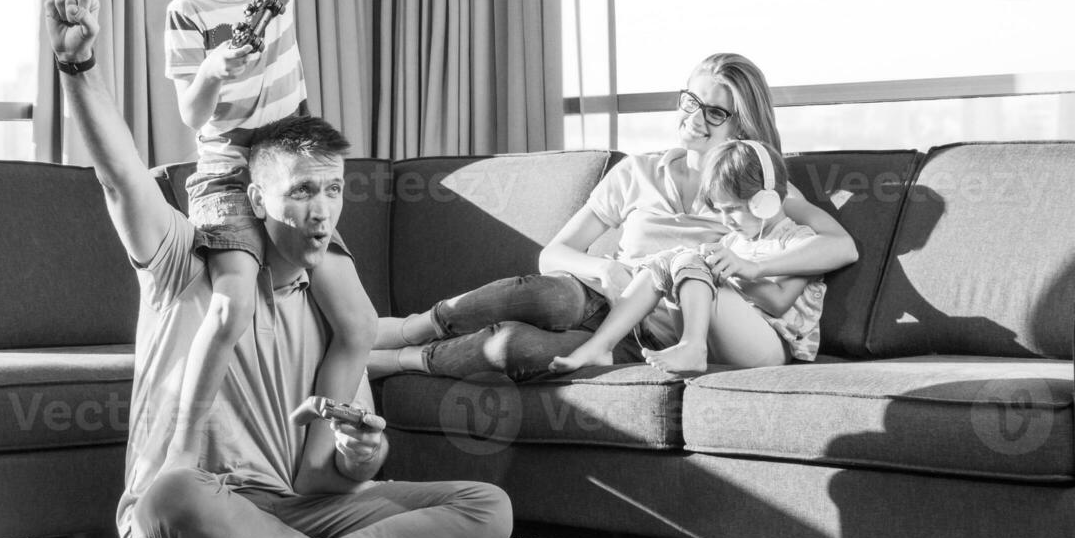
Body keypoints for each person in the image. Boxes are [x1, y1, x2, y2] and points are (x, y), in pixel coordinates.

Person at [46, 0, 512, 538]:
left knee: (486, 506)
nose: (321, 212)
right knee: (174, 495)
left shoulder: (335, 309)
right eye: (301, 192)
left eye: (333, 190)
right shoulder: (184, 261)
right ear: (257, 200)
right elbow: (119, 178)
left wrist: (362, 456)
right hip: (196, 507)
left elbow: (322, 481)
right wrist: (77, 69)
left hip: (292, 508)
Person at [367, 53, 857, 381]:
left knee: (516, 347)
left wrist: (753, 268)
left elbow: (839, 245)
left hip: (647, 335)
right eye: (691, 102)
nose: (695, 118)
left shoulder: (753, 189)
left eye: (715, 113)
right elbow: (552, 254)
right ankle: (417, 327)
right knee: (548, 294)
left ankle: (404, 361)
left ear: (741, 125)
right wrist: (604, 268)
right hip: (607, 299)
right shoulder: (638, 172)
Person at [165, 0, 381, 470]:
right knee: (231, 306)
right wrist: (214, 72)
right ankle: (182, 450)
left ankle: (317, 464)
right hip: (230, 172)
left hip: (292, 165)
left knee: (359, 323)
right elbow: (191, 115)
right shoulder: (188, 11)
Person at [548, 139, 828, 377]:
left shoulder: (798, 241)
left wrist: (735, 271)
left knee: (689, 260)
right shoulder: (733, 241)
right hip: (728, 340)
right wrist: (709, 268)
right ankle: (601, 345)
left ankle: (693, 348)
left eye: (732, 210)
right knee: (667, 261)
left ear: (765, 201)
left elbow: (780, 302)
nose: (725, 221)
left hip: (771, 348)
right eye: (720, 211)